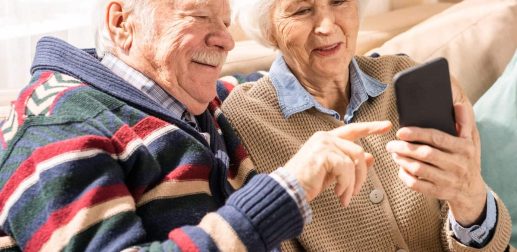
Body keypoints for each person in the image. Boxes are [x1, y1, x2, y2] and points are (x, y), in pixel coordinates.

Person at [0, 0, 393, 251]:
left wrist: (395, 77)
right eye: (200, 15)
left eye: (225, 21)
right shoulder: (59, 128)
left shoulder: (192, 100)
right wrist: (285, 191)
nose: (226, 41)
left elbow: (296, 80)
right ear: (122, 22)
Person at [222, 0, 513, 251]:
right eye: (302, 10)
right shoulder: (243, 120)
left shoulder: (404, 75)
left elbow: (490, 245)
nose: (327, 25)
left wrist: (470, 199)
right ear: (269, 29)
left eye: (339, 1)